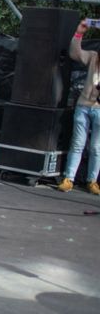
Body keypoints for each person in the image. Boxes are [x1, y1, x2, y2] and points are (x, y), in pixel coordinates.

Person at [60, 20, 100, 194]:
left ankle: (92, 181)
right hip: (84, 105)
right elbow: (75, 53)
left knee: (96, 147)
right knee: (77, 143)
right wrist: (79, 33)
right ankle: (69, 178)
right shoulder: (94, 57)